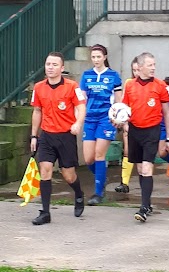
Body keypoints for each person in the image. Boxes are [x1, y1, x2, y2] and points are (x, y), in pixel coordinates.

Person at [30, 52, 86, 225]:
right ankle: (45, 212)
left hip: (66, 136)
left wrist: (78, 123)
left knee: (68, 175)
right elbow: (37, 111)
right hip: (47, 135)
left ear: (62, 68)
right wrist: (34, 135)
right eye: (48, 64)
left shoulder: (72, 86)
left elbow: (81, 107)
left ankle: (78, 194)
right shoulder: (39, 87)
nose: (50, 68)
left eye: (54, 65)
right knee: (45, 170)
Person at [122, 52, 169, 222]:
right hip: (135, 131)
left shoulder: (160, 86)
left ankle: (143, 209)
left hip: (152, 131)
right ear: (141, 67)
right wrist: (121, 121)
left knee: (146, 168)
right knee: (140, 170)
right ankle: (148, 202)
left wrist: (168, 136)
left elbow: (167, 113)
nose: (153, 68)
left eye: (154, 64)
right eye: (150, 65)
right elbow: (124, 109)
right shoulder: (130, 86)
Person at [80, 44, 122, 206]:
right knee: (89, 159)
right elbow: (82, 99)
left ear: (104, 57)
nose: (96, 60)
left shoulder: (113, 76)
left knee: (99, 154)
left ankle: (98, 193)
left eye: (99, 56)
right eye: (93, 57)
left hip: (106, 119)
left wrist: (118, 118)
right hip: (90, 119)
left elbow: (119, 101)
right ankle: (101, 178)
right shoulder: (86, 75)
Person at [115, 56, 139, 193]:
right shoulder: (129, 83)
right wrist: (123, 121)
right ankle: (124, 183)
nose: (136, 73)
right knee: (127, 151)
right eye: (133, 70)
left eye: (138, 69)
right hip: (130, 121)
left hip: (144, 124)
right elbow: (125, 103)